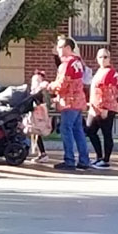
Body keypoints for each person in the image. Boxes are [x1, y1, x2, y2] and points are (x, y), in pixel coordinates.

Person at [46, 36, 90, 171]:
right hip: (78, 101)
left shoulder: (65, 64)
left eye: (60, 47)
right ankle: (84, 160)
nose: (58, 50)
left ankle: (69, 160)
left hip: (69, 102)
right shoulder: (78, 62)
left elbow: (62, 84)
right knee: (78, 130)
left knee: (66, 129)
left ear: (68, 48)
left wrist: (48, 86)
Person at [85, 47, 118, 169]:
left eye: (106, 57)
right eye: (100, 57)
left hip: (106, 109)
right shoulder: (99, 71)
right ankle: (99, 156)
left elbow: (112, 91)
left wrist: (105, 108)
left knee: (106, 134)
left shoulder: (111, 73)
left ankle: (106, 160)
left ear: (109, 58)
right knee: (90, 131)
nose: (103, 59)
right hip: (94, 108)